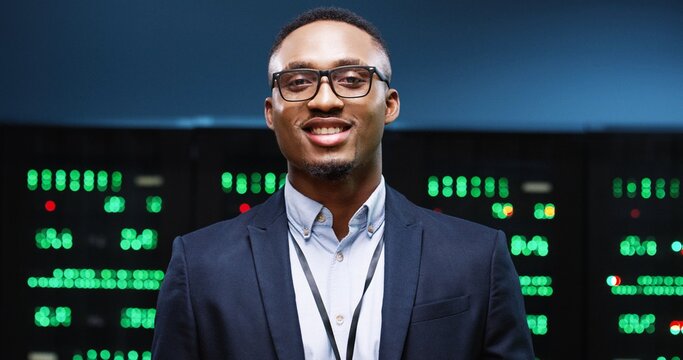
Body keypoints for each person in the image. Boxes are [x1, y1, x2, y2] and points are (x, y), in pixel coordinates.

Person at [151, 6, 534, 360]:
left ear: (390, 105)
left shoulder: (476, 259)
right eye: (298, 82)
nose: (324, 99)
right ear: (271, 113)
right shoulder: (200, 266)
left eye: (351, 79)